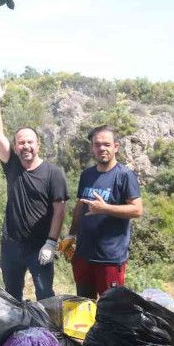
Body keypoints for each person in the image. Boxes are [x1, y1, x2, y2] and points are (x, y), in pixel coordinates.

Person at [0, 77, 68, 301]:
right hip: (11, 245)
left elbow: (59, 211)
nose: (26, 146)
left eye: (30, 142)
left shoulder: (54, 173)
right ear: (16, 146)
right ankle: (17, 335)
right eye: (21, 142)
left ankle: (48, 335)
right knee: (12, 296)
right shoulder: (12, 165)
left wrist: (51, 243)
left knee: (45, 295)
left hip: (40, 246)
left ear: (38, 144)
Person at [65, 125, 143, 299]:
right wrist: (71, 236)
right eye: (97, 144)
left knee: (111, 309)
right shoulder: (87, 175)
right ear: (92, 148)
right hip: (83, 256)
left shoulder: (124, 175)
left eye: (106, 144)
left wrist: (105, 208)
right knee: (84, 305)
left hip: (110, 259)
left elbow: (137, 210)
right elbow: (80, 206)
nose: (102, 148)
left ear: (116, 147)